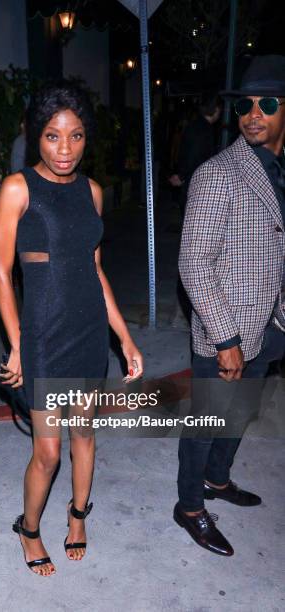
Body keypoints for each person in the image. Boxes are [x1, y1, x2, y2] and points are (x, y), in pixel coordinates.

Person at [0, 81, 143, 576]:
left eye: (76, 137)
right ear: (38, 135)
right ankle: (28, 529)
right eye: (54, 136)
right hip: (43, 336)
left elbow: (95, 269)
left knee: (85, 434)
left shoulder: (91, 191)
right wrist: (16, 345)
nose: (64, 148)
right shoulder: (18, 188)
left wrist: (123, 336)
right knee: (48, 452)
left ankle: (78, 518)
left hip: (87, 329)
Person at [176, 55, 285, 556]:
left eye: (267, 103)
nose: (252, 114)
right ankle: (190, 507)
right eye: (244, 104)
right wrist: (225, 339)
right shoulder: (218, 174)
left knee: (240, 415)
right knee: (206, 425)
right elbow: (193, 262)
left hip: (271, 323)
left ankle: (219, 481)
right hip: (228, 332)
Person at [169, 94, 222, 218]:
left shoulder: (195, 126)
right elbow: (193, 155)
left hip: (193, 183)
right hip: (195, 185)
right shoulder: (204, 129)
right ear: (216, 109)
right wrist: (181, 176)